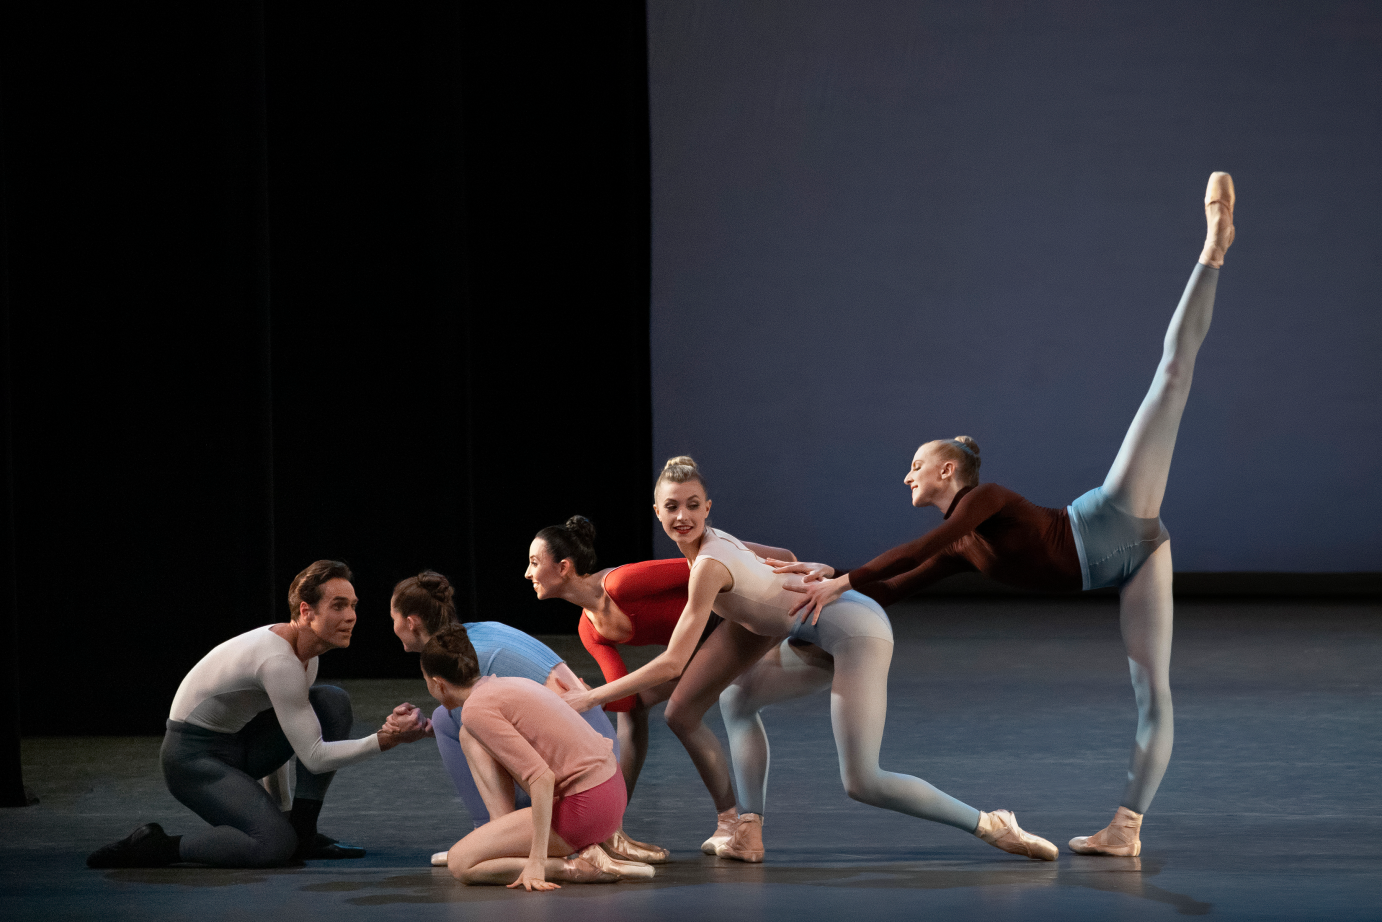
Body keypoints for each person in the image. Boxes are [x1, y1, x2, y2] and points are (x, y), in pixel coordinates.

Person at [775, 173, 1238, 858]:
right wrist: (816, 631)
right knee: (1151, 690)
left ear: (949, 472)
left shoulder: (981, 505)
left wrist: (842, 580)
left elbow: (916, 549)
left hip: (1110, 522)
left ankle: (1213, 249)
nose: (907, 473)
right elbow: (896, 586)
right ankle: (1128, 831)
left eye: (917, 463)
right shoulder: (963, 546)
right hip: (1134, 561)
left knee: (1170, 377)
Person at [561, 457, 1057, 864]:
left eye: (693, 505)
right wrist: (804, 568)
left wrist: (589, 698)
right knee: (737, 695)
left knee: (863, 781)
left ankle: (991, 824)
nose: (682, 516)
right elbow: (782, 552)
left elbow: (673, 664)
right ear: (657, 511)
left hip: (857, 630)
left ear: (708, 507)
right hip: (805, 632)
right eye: (672, 507)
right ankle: (747, 830)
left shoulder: (708, 565)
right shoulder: (710, 548)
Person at [87, 560, 430, 869]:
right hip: (192, 761)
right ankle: (156, 846)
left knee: (331, 702)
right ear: (306, 611)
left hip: (239, 744)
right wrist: (388, 739)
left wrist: (283, 812)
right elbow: (313, 757)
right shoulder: (279, 661)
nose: (351, 616)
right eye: (338, 606)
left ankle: (303, 833)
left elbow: (283, 728)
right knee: (272, 845)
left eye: (353, 605)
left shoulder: (307, 656)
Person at [386, 570, 666, 864]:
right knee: (445, 719)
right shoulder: (472, 636)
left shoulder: (470, 656)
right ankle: (501, 833)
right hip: (600, 765)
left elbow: (500, 725)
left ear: (410, 622)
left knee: (462, 725)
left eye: (392, 618)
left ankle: (494, 836)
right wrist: (423, 728)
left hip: (583, 777)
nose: (392, 626)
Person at [527, 516, 745, 852]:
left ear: (564, 567)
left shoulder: (623, 583)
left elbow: (713, 562)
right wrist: (609, 817)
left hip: (738, 623)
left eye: (534, 563)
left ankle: (733, 823)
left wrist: (779, 564)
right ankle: (611, 826)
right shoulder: (590, 630)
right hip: (701, 648)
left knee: (680, 715)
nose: (528, 574)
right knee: (633, 711)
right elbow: (625, 705)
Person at [421, 627, 654, 889]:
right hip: (610, 794)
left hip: (586, 808)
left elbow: (542, 778)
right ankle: (508, 842)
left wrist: (537, 860)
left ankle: (575, 867)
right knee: (470, 736)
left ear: (438, 683)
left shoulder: (476, 709)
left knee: (461, 862)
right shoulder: (504, 685)